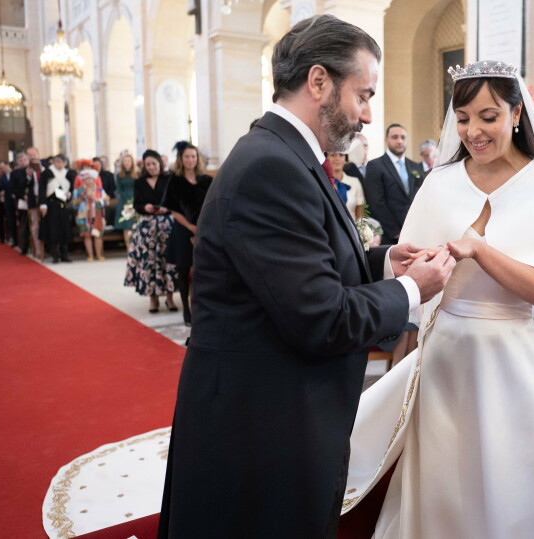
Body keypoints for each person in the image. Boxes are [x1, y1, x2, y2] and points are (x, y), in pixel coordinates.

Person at [158, 15, 454, 538]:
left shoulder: (286, 154)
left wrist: (385, 264)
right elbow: (321, 316)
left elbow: (303, 267)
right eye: (363, 95)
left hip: (276, 410)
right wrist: (413, 289)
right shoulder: (270, 166)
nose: (367, 114)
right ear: (319, 81)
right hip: (260, 426)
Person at [339, 61, 534, 538]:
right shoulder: (439, 182)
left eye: (488, 116)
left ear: (516, 114)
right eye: (463, 118)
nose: (473, 131)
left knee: (518, 487)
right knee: (447, 486)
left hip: (515, 358)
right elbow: (419, 274)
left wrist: (481, 251)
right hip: (446, 360)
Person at [163, 142, 212, 327]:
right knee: (183, 270)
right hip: (183, 229)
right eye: (187, 157)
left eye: (193, 156)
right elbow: (174, 210)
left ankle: (201, 308)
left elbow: (212, 205)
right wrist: (191, 227)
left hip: (204, 229)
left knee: (203, 270)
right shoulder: (175, 180)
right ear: (181, 159)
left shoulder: (206, 180)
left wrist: (201, 228)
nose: (190, 160)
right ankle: (186, 309)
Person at [124, 149, 178, 313]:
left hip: (166, 225)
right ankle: (153, 299)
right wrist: (145, 207)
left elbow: (175, 200)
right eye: (148, 164)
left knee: (168, 262)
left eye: (154, 163)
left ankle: (170, 298)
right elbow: (136, 205)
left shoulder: (169, 179)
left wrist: (166, 208)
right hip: (147, 227)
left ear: (159, 163)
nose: (151, 167)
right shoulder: (139, 182)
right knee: (149, 262)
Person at [364, 123, 425, 244]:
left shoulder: (415, 166)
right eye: (395, 137)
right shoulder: (375, 166)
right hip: (389, 235)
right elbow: (376, 203)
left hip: (414, 232)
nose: (399, 141)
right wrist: (395, 232)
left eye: (403, 137)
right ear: (386, 140)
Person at [40, 154, 76, 263]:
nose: (58, 164)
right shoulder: (47, 173)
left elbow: (73, 188)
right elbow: (42, 189)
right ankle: (55, 255)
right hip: (51, 205)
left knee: (64, 230)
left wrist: (69, 195)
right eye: (56, 162)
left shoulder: (69, 173)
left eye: (61, 162)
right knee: (53, 230)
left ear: (65, 163)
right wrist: (43, 204)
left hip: (63, 205)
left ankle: (64, 254)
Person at [73, 162, 109, 261]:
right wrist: (81, 198)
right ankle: (90, 256)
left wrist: (96, 199)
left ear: (94, 179)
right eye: (86, 179)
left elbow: (107, 201)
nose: (88, 181)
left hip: (97, 215)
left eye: (90, 179)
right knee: (87, 235)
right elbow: (74, 204)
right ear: (83, 180)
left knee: (98, 235)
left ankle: (99, 255)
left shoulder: (100, 190)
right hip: (83, 216)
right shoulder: (79, 190)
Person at [326, 150, 366, 219]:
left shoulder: (355, 182)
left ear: (345, 158)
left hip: (352, 224)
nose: (337, 158)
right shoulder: (323, 182)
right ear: (326, 158)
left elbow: (360, 212)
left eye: (341, 155)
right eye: (333, 155)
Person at [114, 153, 138, 249]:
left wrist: (134, 199)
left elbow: (139, 188)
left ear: (132, 162)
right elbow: (119, 189)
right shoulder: (119, 175)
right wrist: (127, 201)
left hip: (135, 201)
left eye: (129, 161)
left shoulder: (137, 174)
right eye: (125, 161)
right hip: (124, 202)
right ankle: (129, 248)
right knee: (126, 226)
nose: (127, 163)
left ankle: (136, 248)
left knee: (135, 225)